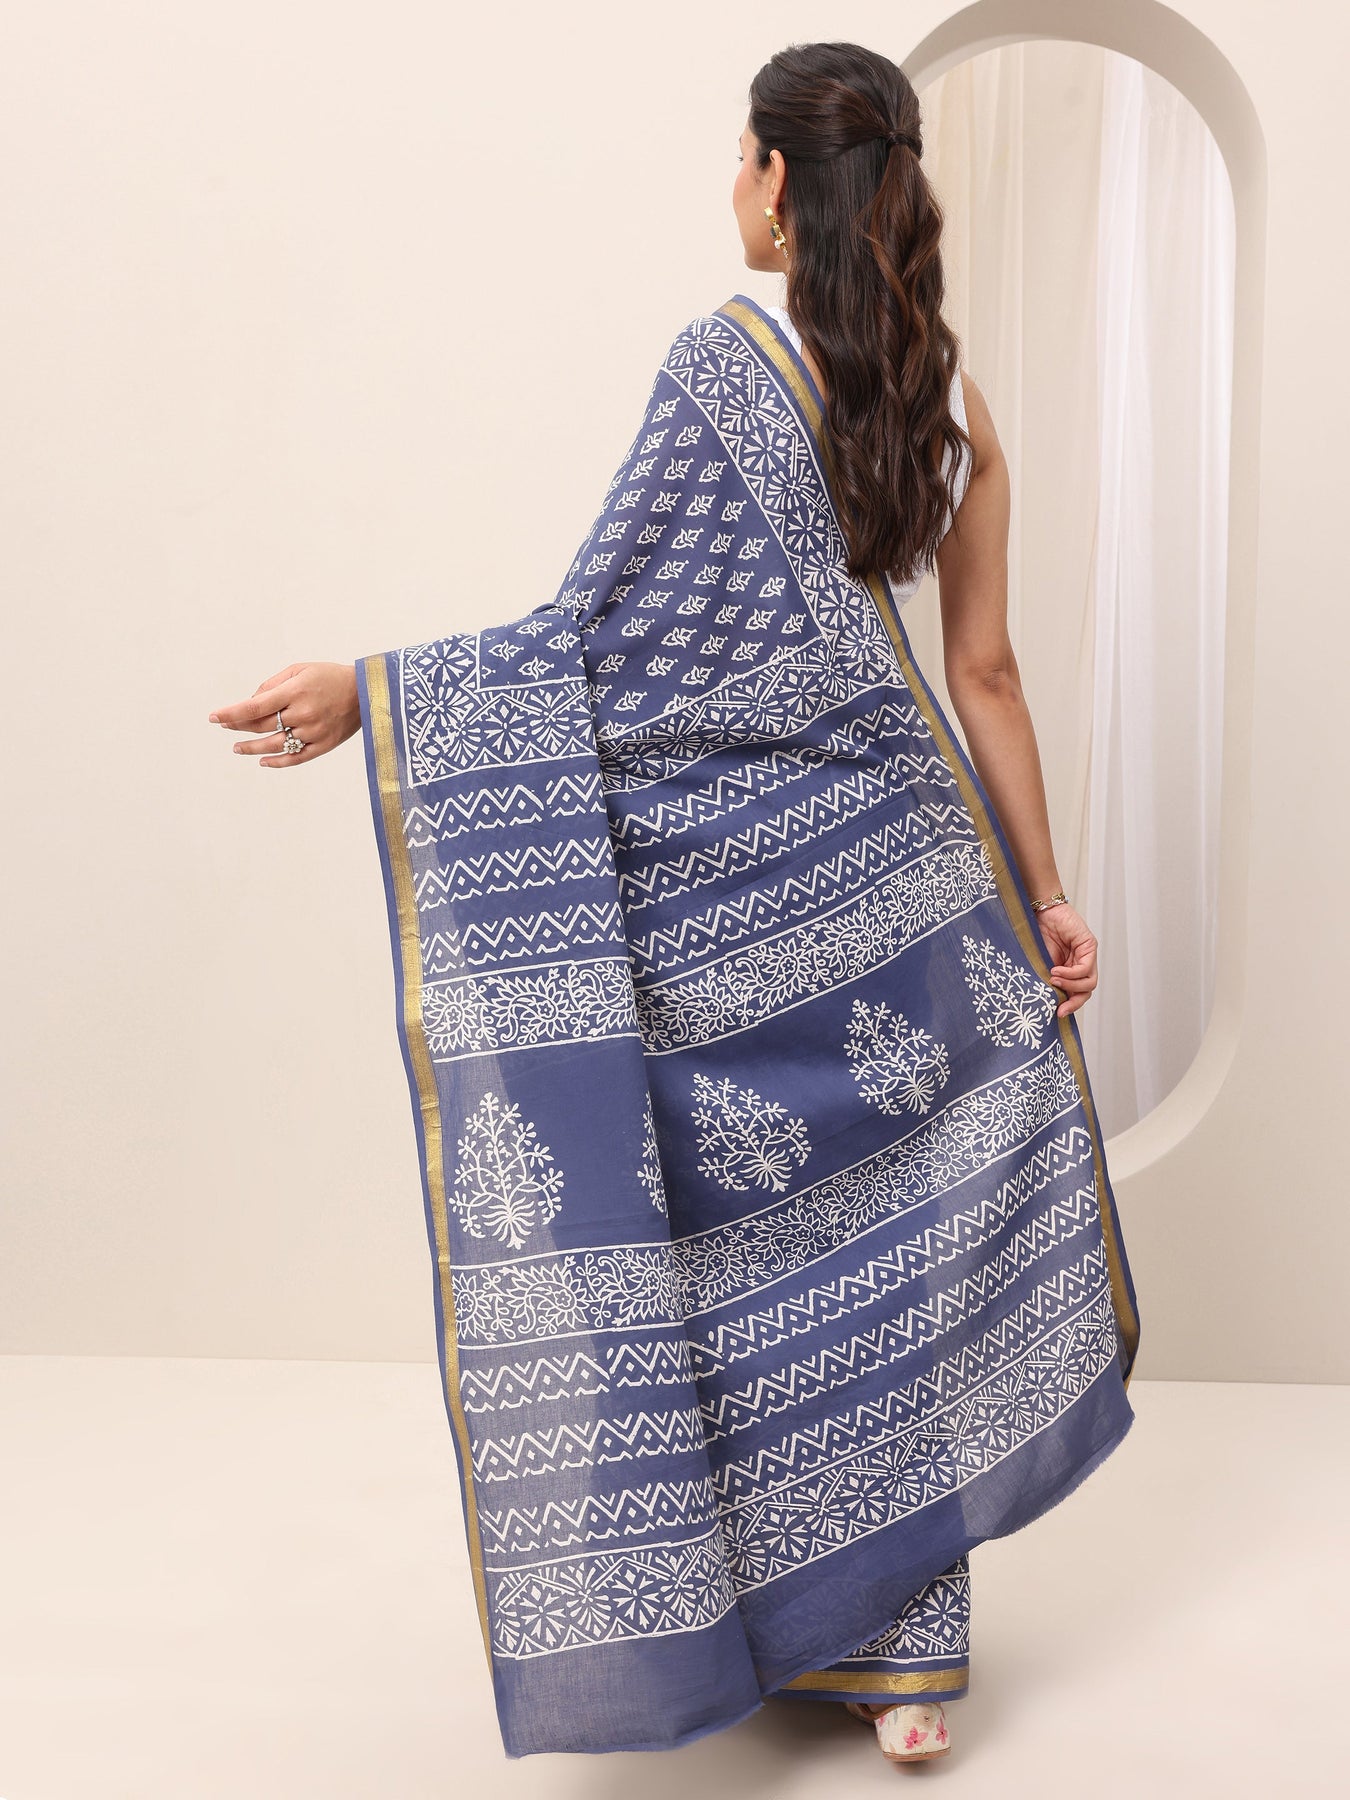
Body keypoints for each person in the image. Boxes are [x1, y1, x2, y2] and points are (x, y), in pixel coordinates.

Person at [208, 39, 1139, 1768]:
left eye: (740, 160)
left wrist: (373, 691)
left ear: (778, 178)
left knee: (748, 1269)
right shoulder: (945, 396)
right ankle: (912, 1668)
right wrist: (1045, 893)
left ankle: (802, 1629)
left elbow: (588, 643)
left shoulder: (725, 363)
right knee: (899, 1259)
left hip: (732, 913)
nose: (732, 189)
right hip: (911, 897)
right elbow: (986, 674)